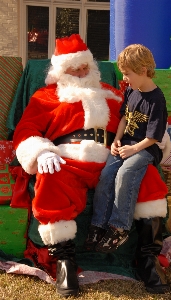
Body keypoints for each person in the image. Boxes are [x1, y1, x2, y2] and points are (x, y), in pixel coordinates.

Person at [13, 34, 123, 298]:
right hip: (68, 159)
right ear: (61, 70)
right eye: (75, 68)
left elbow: (137, 121)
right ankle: (64, 262)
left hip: (113, 158)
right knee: (50, 178)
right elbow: (26, 129)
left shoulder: (114, 94)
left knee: (147, 176)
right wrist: (40, 152)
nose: (82, 72)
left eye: (85, 66)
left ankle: (148, 257)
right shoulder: (46, 96)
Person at [84, 44, 171, 294]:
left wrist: (133, 150)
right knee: (107, 173)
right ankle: (98, 224)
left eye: (128, 73)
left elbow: (154, 137)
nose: (124, 79)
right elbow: (124, 118)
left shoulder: (156, 98)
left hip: (145, 149)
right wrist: (117, 141)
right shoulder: (132, 91)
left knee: (125, 173)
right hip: (127, 144)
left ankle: (119, 227)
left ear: (144, 70)